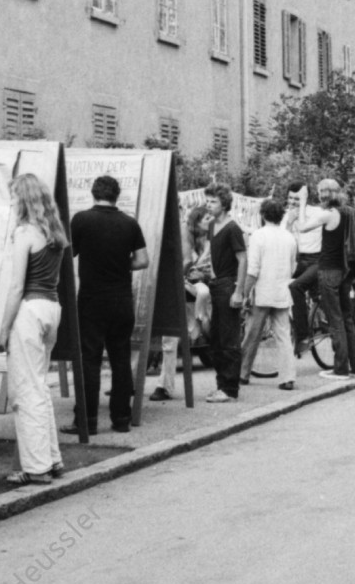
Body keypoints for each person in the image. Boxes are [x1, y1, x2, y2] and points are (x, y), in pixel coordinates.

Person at [0, 173, 68, 485]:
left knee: (26, 392)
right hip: (51, 307)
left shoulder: (24, 233)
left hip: (28, 311)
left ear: (22, 199)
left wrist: (2, 330)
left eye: (13, 196)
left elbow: (15, 287)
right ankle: (51, 459)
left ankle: (36, 466)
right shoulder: (54, 233)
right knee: (40, 387)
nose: (10, 202)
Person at [66, 175, 148, 437]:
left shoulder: (81, 220)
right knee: (120, 359)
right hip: (122, 299)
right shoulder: (129, 223)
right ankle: (121, 419)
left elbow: (70, 255)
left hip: (91, 299)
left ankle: (87, 421)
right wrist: (121, 264)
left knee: (89, 360)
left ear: (93, 193)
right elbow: (143, 260)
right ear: (117, 195)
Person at [295, 177, 355, 382]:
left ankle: (341, 369)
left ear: (323, 194)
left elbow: (302, 227)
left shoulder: (328, 215)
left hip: (329, 270)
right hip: (345, 271)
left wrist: (302, 202)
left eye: (319, 192)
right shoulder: (349, 213)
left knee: (335, 320)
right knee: (347, 318)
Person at [151, 204, 211, 400]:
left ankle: (161, 385)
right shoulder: (185, 230)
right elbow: (186, 261)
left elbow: (188, 261)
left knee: (168, 337)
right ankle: (158, 384)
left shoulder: (201, 235)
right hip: (177, 285)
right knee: (168, 337)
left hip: (179, 285)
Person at [239, 198, 299, 390]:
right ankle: (287, 377)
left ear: (263, 215)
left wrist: (244, 293)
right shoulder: (289, 237)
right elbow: (293, 266)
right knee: (283, 335)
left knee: (252, 334)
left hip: (262, 292)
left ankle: (243, 373)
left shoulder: (258, 236)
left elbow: (253, 269)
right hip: (282, 292)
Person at [203, 184, 248, 402]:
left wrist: (239, 291)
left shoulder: (232, 228)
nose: (208, 205)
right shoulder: (212, 225)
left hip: (229, 285)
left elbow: (242, 259)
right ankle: (221, 385)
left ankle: (230, 388)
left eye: (213, 202)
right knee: (217, 338)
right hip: (216, 283)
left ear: (224, 204)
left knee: (229, 339)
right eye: (208, 201)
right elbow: (211, 253)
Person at [286, 175, 323, 356]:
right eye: (290, 198)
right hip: (300, 260)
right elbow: (283, 240)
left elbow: (303, 226)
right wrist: (288, 222)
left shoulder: (315, 213)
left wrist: (302, 203)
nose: (293, 202)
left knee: (295, 287)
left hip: (317, 260)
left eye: (297, 198)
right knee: (281, 281)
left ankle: (303, 337)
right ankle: (295, 319)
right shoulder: (288, 215)